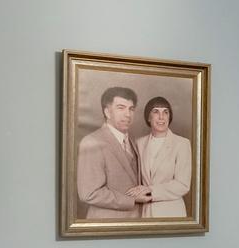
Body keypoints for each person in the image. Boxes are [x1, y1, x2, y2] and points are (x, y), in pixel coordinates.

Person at [77, 85, 148, 219]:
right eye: (121, 108)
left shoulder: (133, 141)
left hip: (135, 223)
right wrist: (132, 200)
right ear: (107, 112)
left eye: (131, 109)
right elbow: (89, 193)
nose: (128, 114)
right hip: (106, 224)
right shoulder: (91, 142)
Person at [134, 95, 193, 219]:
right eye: (156, 112)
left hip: (171, 213)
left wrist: (150, 190)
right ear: (148, 117)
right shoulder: (139, 143)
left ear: (169, 117)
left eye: (165, 112)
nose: (161, 117)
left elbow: (183, 185)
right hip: (145, 213)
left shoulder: (182, 144)